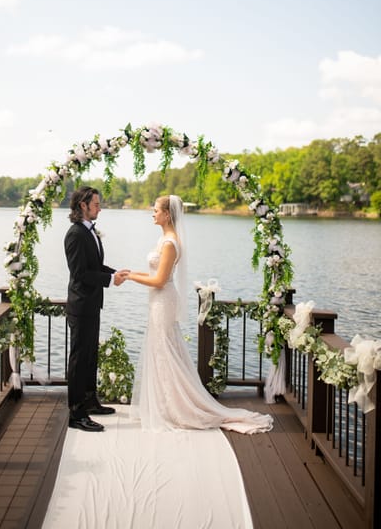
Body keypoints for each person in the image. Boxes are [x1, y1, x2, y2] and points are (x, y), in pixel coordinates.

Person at [127, 194, 273, 434]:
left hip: (163, 300)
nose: (152, 213)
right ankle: (165, 404)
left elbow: (160, 280)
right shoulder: (164, 238)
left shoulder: (170, 243)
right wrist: (131, 272)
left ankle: (177, 407)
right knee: (160, 349)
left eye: (155, 210)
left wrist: (130, 277)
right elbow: (155, 276)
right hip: (157, 301)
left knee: (165, 351)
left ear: (167, 214)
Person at [65, 186, 129, 432]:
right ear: (83, 205)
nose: (100, 207)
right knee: (79, 359)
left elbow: (96, 265)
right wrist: (110, 281)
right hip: (81, 307)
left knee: (91, 356)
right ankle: (76, 414)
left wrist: (115, 273)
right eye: (96, 204)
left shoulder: (90, 232)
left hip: (92, 305)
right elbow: (80, 274)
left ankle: (90, 401)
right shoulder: (75, 234)